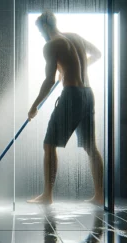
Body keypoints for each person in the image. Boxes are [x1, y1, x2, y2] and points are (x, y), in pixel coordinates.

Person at [27, 11, 104, 205]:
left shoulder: (52, 45)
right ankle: (100, 195)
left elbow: (48, 81)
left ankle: (47, 196)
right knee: (90, 146)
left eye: (39, 30)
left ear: (45, 26)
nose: (41, 35)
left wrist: (34, 106)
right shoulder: (74, 37)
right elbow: (97, 54)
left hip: (71, 95)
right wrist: (73, 69)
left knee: (49, 144)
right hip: (87, 94)